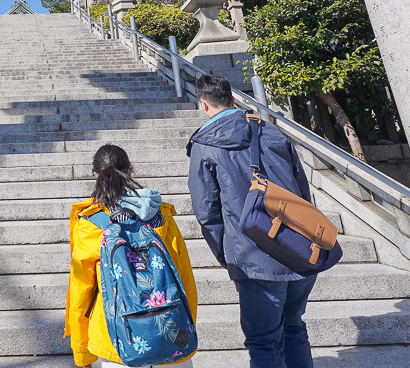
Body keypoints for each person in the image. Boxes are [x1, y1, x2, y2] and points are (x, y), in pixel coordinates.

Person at [186, 74, 317, 368]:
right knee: (294, 328)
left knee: (263, 342)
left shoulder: (204, 145)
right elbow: (302, 191)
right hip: (300, 247)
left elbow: (207, 214)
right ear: (233, 100)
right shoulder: (270, 131)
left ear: (203, 105)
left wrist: (230, 261)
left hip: (254, 257)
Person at [65, 143, 198, 368]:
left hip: (117, 339)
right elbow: (183, 278)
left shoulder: (90, 223)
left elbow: (81, 291)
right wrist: (183, 328)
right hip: (170, 334)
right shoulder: (161, 215)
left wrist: (82, 352)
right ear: (130, 171)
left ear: (95, 175)